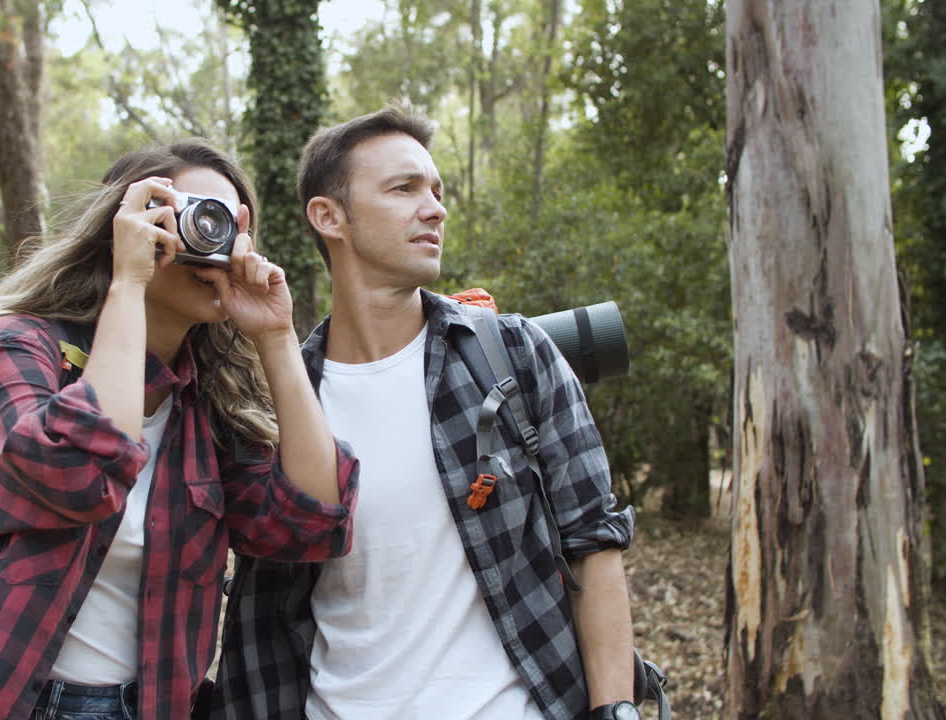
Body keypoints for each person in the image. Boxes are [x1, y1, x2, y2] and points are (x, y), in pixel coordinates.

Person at [0, 139, 359, 720]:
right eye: (190, 214)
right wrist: (128, 283)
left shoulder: (207, 407)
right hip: (13, 702)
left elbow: (310, 524)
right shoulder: (20, 347)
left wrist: (275, 335)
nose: (210, 240)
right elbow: (83, 476)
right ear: (128, 225)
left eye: (227, 224)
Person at [212, 105, 638, 720]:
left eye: (436, 190)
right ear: (328, 216)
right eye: (404, 188)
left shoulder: (513, 356)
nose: (435, 207)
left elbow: (594, 543)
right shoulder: (280, 401)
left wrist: (615, 710)